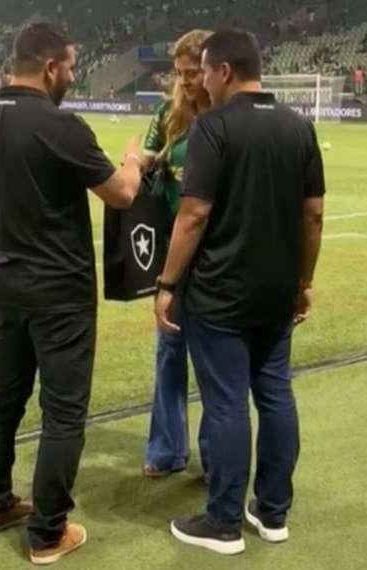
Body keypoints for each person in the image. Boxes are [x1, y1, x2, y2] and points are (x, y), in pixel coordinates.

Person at [0, 23, 141, 565]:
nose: (72, 77)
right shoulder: (63, 126)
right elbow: (122, 194)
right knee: (62, 413)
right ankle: (47, 532)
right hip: (61, 291)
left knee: (2, 398)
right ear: (51, 67)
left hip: (6, 282)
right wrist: (133, 160)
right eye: (71, 68)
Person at [154, 28, 325, 555]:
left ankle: (224, 522)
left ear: (224, 71)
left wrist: (165, 285)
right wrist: (303, 280)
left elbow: (194, 213)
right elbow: (313, 213)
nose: (200, 80)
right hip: (276, 291)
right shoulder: (300, 127)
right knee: (275, 395)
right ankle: (272, 513)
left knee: (227, 403)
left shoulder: (213, 129)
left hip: (220, 293)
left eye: (204, 71)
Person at [139, 29, 212, 480]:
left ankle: (214, 452)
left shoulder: (225, 118)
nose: (185, 81)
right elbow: (142, 161)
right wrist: (137, 164)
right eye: (180, 73)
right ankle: (167, 450)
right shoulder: (167, 115)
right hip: (173, 256)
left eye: (193, 73)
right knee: (169, 354)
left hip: (216, 258)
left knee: (213, 362)